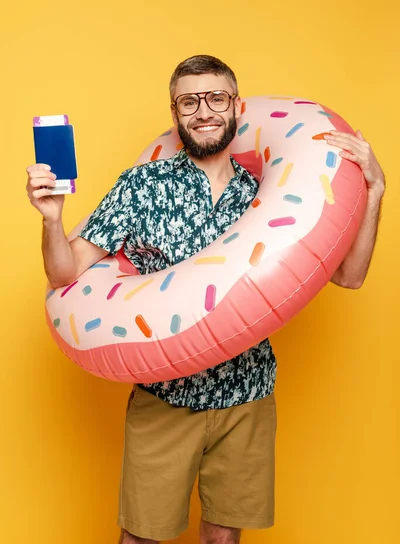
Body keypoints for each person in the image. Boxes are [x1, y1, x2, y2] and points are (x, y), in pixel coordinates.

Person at [26, 55, 385, 544]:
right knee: (142, 538)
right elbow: (65, 271)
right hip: (166, 398)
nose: (204, 111)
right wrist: (51, 218)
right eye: (189, 101)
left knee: (224, 537)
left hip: (248, 395)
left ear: (236, 105)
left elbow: (350, 276)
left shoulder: (267, 192)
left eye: (216, 98)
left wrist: (375, 190)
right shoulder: (143, 185)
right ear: (175, 114)